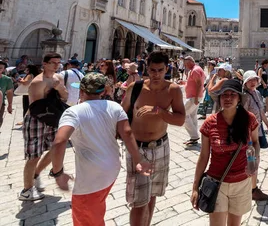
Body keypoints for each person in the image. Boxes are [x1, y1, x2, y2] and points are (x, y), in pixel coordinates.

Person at [50, 73, 152, 226]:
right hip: (112, 167)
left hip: (92, 175)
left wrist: (58, 173)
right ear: (103, 91)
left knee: (85, 217)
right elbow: (127, 133)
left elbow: (59, 142)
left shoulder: (73, 112)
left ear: (82, 91)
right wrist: (138, 159)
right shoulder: (115, 107)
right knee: (96, 206)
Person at [121, 51, 185, 226]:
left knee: (152, 195)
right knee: (138, 200)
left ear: (167, 69)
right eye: (152, 70)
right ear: (146, 69)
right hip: (137, 147)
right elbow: (121, 115)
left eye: (160, 70)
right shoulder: (135, 88)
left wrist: (159, 111)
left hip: (160, 145)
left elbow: (180, 120)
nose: (156, 74)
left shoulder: (173, 90)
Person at [190, 79, 259, 225]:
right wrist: (195, 187)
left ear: (239, 98)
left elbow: (255, 142)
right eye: (224, 95)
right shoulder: (210, 123)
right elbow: (203, 156)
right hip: (217, 182)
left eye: (232, 95)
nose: (228, 98)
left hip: (242, 181)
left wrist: (254, 160)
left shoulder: (249, 119)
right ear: (219, 98)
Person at [20, 52, 68, 201]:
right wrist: (51, 91)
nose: (56, 65)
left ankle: (36, 174)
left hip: (52, 118)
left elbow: (65, 96)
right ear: (45, 64)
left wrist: (59, 88)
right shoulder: (37, 82)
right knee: (34, 156)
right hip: (36, 119)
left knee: (56, 148)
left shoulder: (58, 78)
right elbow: (37, 106)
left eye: (58, 62)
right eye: (53, 62)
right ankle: (27, 190)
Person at [242, 71, 268, 201]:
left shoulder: (256, 93)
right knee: (252, 160)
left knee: (256, 158)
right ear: (245, 82)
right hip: (248, 132)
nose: (253, 82)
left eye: (254, 80)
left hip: (258, 130)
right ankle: (252, 189)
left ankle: (251, 185)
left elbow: (261, 112)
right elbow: (242, 116)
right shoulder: (244, 96)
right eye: (250, 80)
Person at [182, 56, 206, 146]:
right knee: (192, 116)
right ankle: (194, 137)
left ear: (191, 62)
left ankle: (194, 136)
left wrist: (196, 98)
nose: (186, 66)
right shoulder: (196, 69)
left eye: (187, 64)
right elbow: (194, 82)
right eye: (185, 64)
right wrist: (185, 83)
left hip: (193, 97)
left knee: (183, 114)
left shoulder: (195, 70)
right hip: (195, 96)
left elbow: (199, 84)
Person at [0, 60, 14, 130]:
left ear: (3, 69)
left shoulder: (7, 80)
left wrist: (10, 105)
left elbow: (9, 93)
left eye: (0, 68)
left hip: (0, 104)